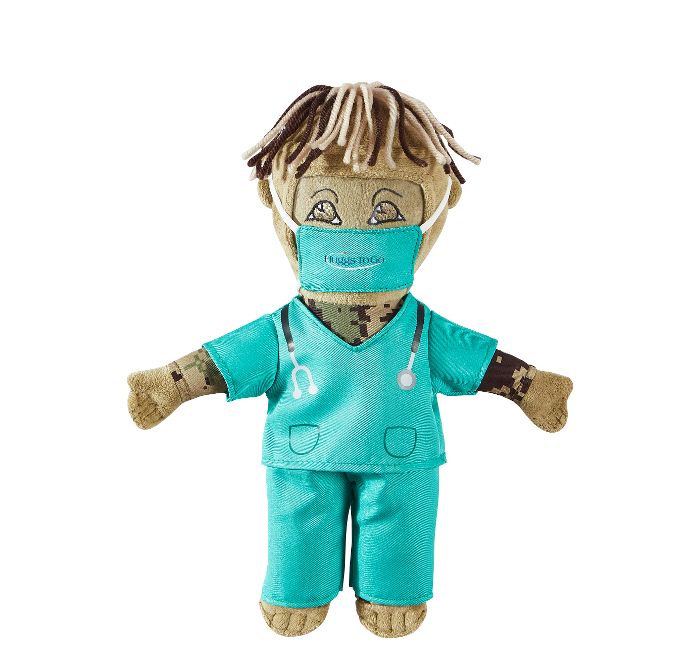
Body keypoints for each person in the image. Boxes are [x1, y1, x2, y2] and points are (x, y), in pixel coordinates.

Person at [127, 82, 573, 638]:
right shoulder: (284, 329)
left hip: (398, 454)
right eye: (324, 210)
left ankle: (392, 589)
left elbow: (479, 361)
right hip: (308, 454)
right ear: (279, 203)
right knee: (299, 520)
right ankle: (298, 588)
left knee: (401, 522)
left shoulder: (420, 328)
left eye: (387, 212)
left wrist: (531, 386)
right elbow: (223, 361)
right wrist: (170, 384)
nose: (357, 231)